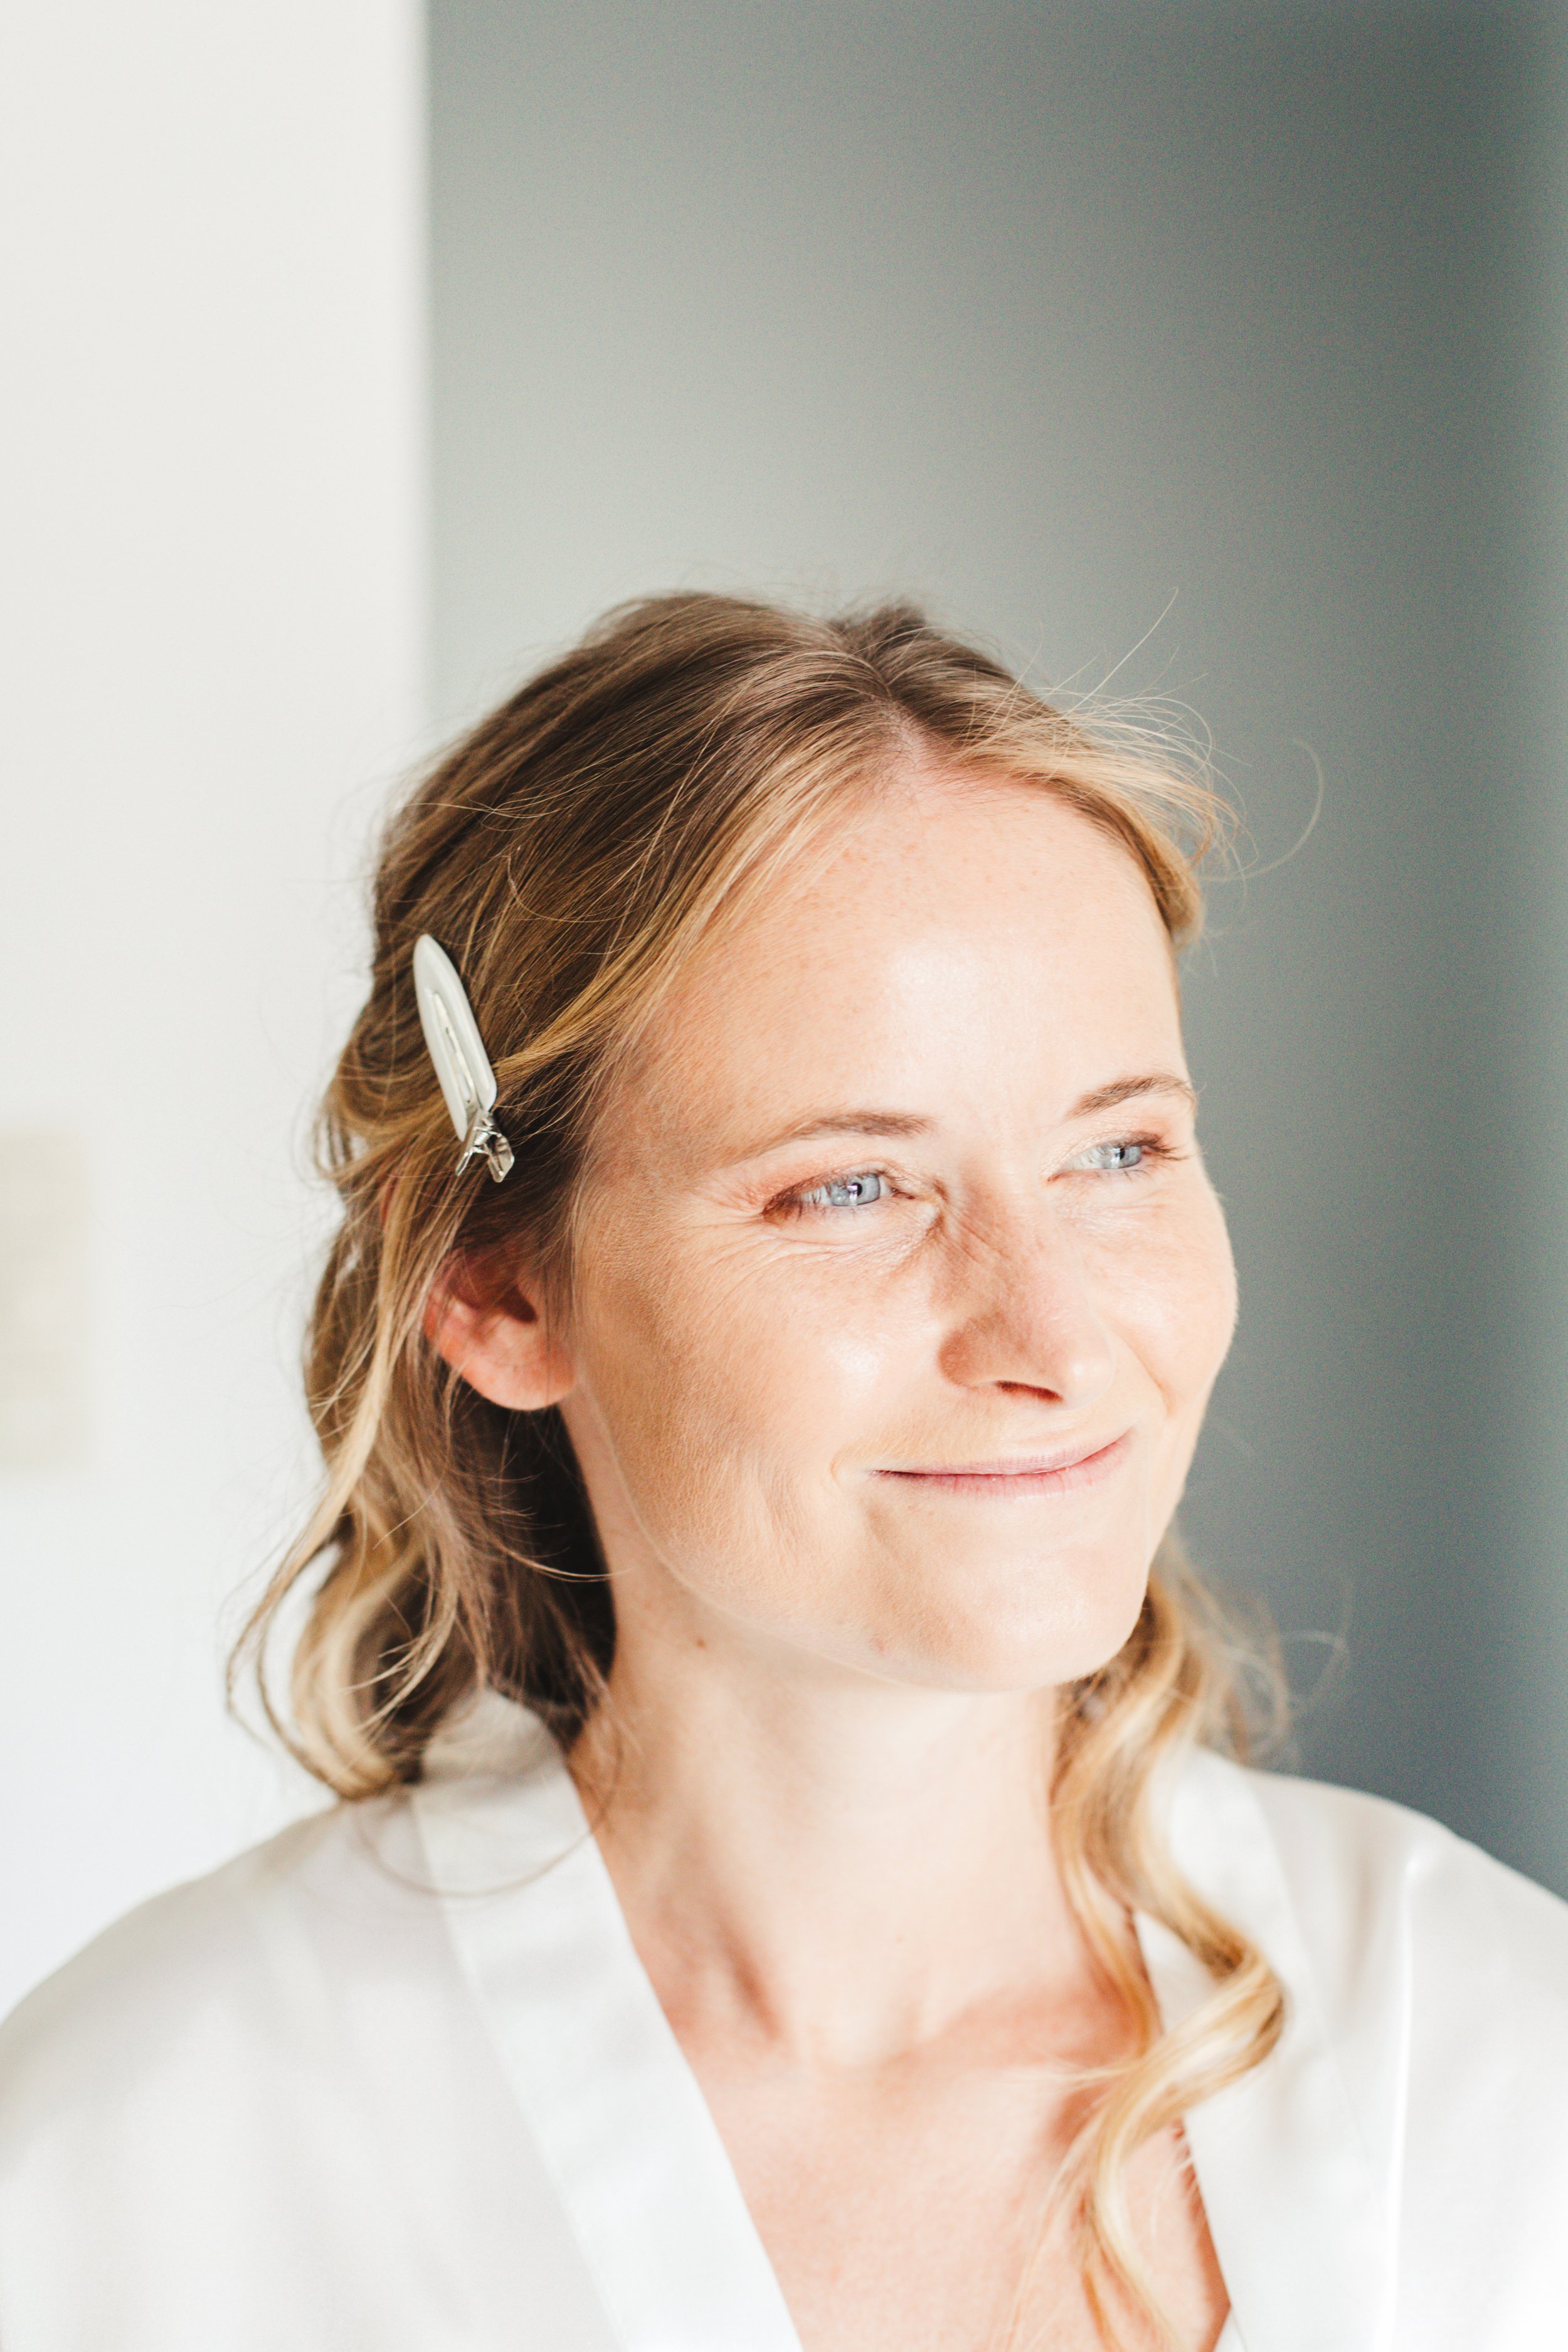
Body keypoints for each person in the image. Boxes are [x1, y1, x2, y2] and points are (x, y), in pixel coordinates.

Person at [1, 595, 1565, 2352]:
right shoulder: (132, 2171)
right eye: (848, 1188)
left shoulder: (1496, 2066)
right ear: (498, 1288)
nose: (1049, 1336)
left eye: (1118, 1149)